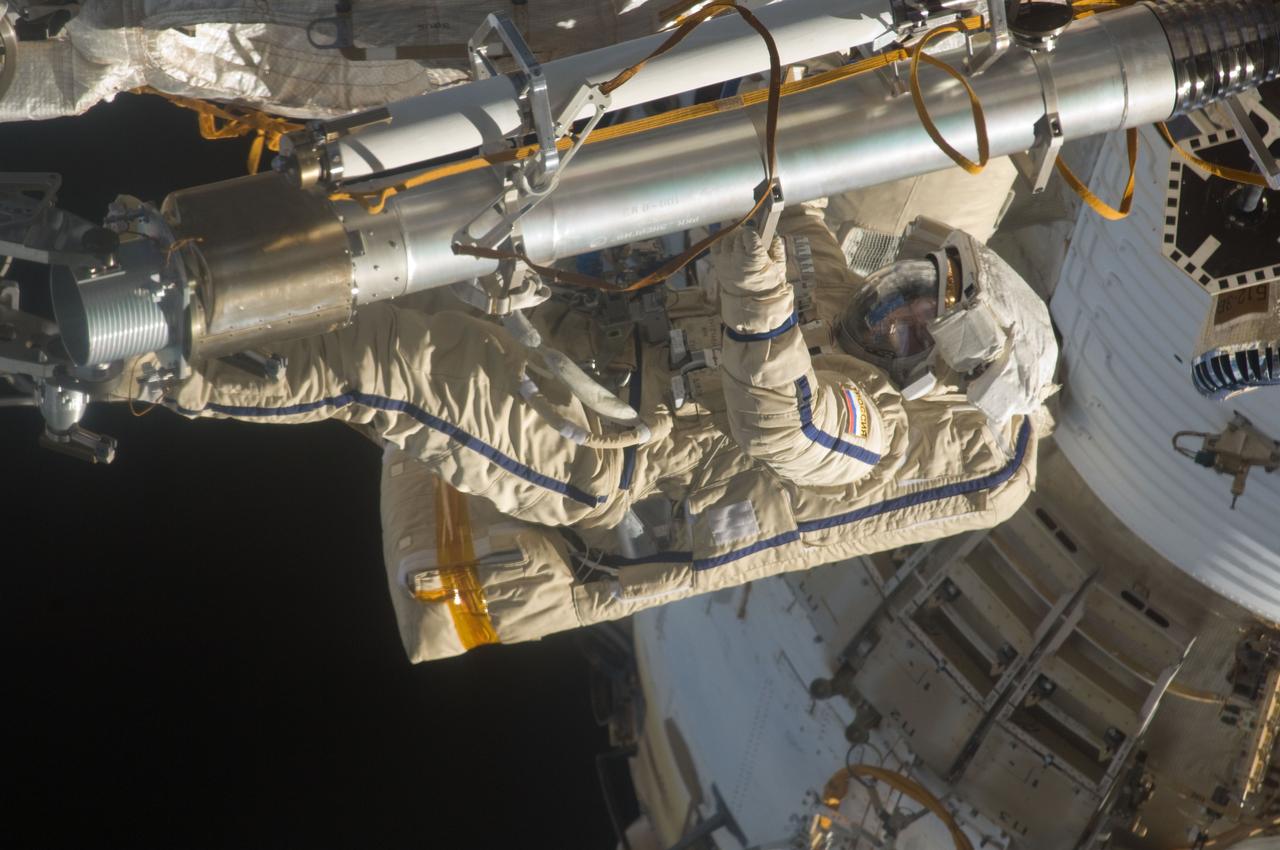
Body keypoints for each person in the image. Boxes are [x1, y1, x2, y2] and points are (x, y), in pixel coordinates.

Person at [158, 164, 1058, 662]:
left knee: (384, 362)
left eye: (915, 337)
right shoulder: (826, 269)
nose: (895, 318)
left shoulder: (875, 429)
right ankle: (181, 263)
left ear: (922, 379)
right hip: (582, 313)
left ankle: (162, 359)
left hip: (602, 439)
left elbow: (786, 422)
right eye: (913, 294)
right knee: (391, 244)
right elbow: (795, 186)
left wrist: (752, 270)